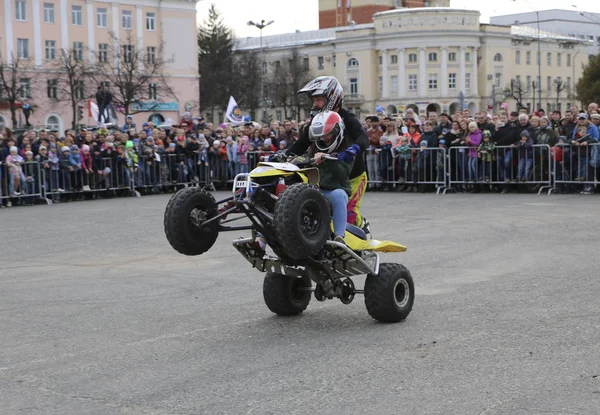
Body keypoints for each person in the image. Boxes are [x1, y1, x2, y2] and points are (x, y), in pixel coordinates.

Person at [286, 76, 371, 236]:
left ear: (332, 97)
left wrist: (353, 149)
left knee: (350, 214)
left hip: (353, 176)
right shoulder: (316, 121)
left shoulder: (348, 119)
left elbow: (363, 138)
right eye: (314, 100)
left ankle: (361, 227)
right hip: (328, 176)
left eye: (318, 99)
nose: (315, 104)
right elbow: (301, 144)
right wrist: (283, 156)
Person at [308, 111, 353, 245]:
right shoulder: (314, 147)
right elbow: (303, 157)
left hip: (333, 191)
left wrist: (327, 159)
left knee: (339, 195)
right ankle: (263, 237)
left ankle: (339, 236)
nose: (324, 138)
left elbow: (343, 173)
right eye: (322, 135)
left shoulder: (347, 150)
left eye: (327, 134)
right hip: (314, 189)